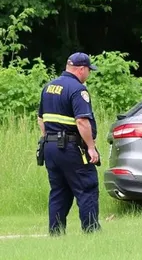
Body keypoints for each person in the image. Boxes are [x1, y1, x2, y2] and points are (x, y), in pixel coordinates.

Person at [37, 52, 101, 236]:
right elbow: (82, 121)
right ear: (81, 69)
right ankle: (91, 231)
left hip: (50, 147)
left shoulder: (48, 87)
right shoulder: (77, 89)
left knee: (59, 191)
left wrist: (48, 137)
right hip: (71, 148)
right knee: (87, 187)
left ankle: (56, 233)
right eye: (88, 70)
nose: (88, 74)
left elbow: (41, 119)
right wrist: (90, 147)